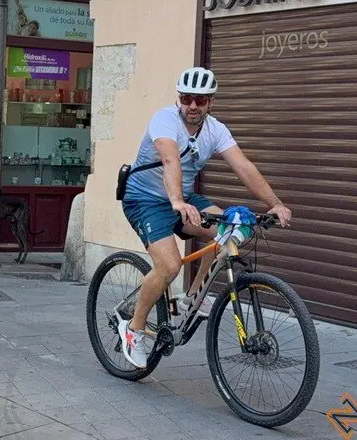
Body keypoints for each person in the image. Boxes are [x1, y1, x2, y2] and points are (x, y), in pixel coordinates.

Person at [117, 67, 292, 369]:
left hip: (183, 199)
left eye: (200, 100)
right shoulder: (164, 120)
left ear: (211, 102)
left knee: (233, 228)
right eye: (186, 98)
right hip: (145, 199)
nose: (192, 106)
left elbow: (243, 167)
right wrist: (175, 201)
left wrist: (275, 203)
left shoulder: (216, 130)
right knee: (169, 266)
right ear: (179, 99)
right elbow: (170, 159)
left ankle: (193, 296)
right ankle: (133, 329)